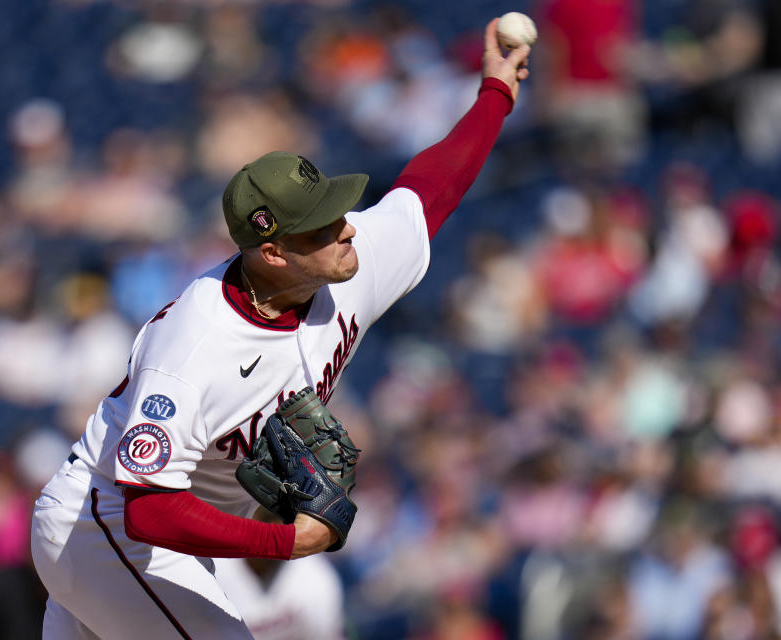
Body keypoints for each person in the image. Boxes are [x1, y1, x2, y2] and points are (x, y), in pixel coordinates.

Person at [30, 17, 530, 640]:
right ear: (272, 252)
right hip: (101, 526)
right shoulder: (193, 345)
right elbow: (149, 508)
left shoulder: (348, 263)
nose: (346, 228)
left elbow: (430, 190)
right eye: (321, 226)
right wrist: (283, 540)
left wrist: (494, 94)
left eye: (338, 211)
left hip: (165, 544)